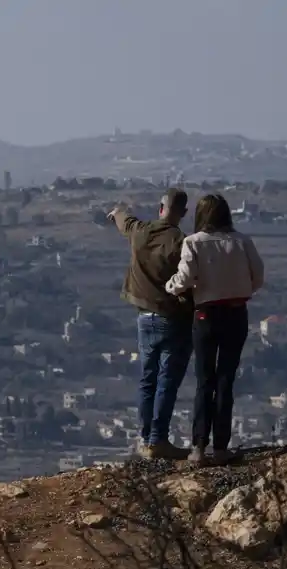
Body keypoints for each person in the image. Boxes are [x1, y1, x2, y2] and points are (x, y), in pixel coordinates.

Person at [165, 194, 264, 465]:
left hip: (206, 315)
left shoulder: (193, 242)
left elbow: (184, 278)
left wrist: (170, 287)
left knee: (204, 380)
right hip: (236, 313)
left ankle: (198, 447)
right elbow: (258, 277)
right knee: (225, 380)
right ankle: (221, 447)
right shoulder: (242, 242)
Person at [107, 188, 194, 460]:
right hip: (173, 320)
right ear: (183, 213)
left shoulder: (141, 232)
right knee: (167, 381)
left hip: (144, 318)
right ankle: (158, 441)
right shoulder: (181, 242)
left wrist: (116, 212)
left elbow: (124, 220)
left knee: (148, 379)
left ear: (160, 208)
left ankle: (147, 440)